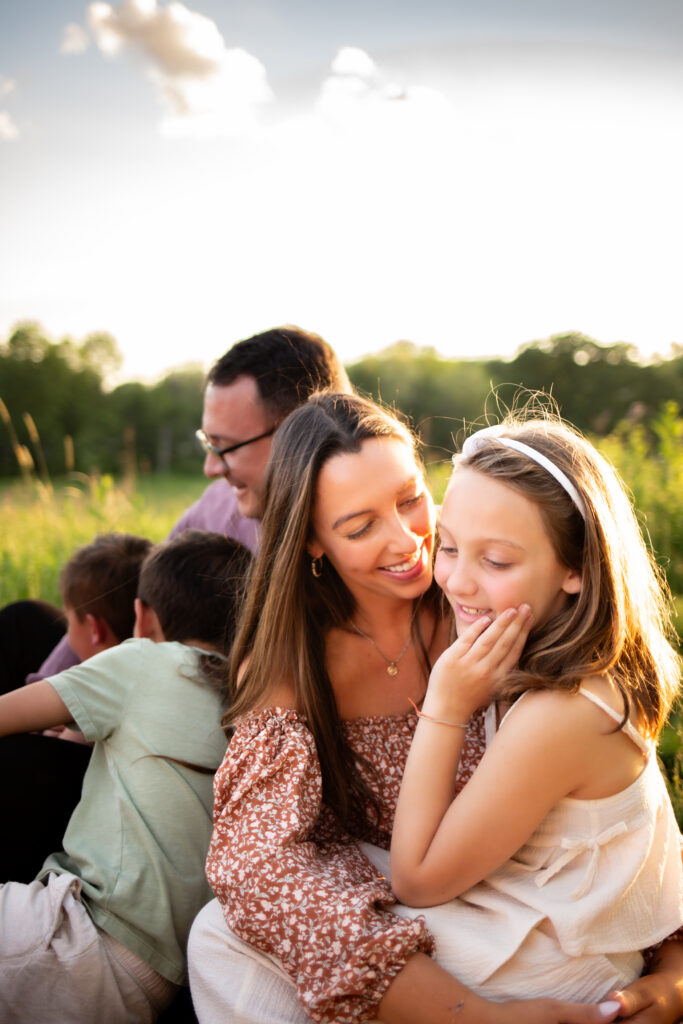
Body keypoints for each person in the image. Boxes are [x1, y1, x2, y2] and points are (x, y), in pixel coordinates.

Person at [189, 392, 683, 1024]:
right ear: (312, 542)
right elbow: (260, 864)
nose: (410, 543)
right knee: (230, 925)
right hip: (444, 918)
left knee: (223, 935)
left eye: (412, 498)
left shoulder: (492, 599)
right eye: (360, 526)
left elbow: (615, 821)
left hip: (517, 915)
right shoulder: (300, 663)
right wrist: (465, 1012)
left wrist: (672, 960)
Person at [382, 417, 683, 1001]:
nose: (458, 582)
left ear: (576, 569)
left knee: (228, 934)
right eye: (446, 547)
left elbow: (415, 881)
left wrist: (444, 705)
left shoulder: (566, 710)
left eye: (495, 562)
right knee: (323, 885)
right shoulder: (548, 657)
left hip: (555, 961)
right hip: (533, 922)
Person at [4, 324, 350, 690]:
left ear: (298, 434)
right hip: (139, 671)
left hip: (196, 712)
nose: (211, 468)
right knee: (22, 622)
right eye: (208, 443)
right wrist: (47, 687)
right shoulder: (221, 502)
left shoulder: (345, 545)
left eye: (225, 446)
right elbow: (145, 589)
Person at [0, 529, 252, 1024]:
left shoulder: (142, 659)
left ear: (142, 617)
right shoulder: (250, 696)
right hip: (156, 982)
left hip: (79, 937)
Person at [0, 532, 154, 882]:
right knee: (24, 616)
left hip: (89, 814)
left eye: (69, 623)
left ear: (95, 629)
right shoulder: (157, 659)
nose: (65, 637)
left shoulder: (107, 675)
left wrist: (65, 734)